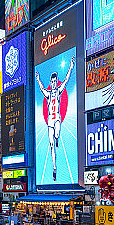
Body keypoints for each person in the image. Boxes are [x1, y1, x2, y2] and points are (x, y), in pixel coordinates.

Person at [35, 54, 75, 182]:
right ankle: (54, 168)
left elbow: (66, 80)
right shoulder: (48, 93)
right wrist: (38, 79)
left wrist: (71, 67)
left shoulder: (58, 91)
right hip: (49, 122)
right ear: (50, 82)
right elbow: (41, 88)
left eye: (54, 81)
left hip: (57, 118)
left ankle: (57, 138)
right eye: (51, 82)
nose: (53, 83)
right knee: (51, 145)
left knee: (57, 135)